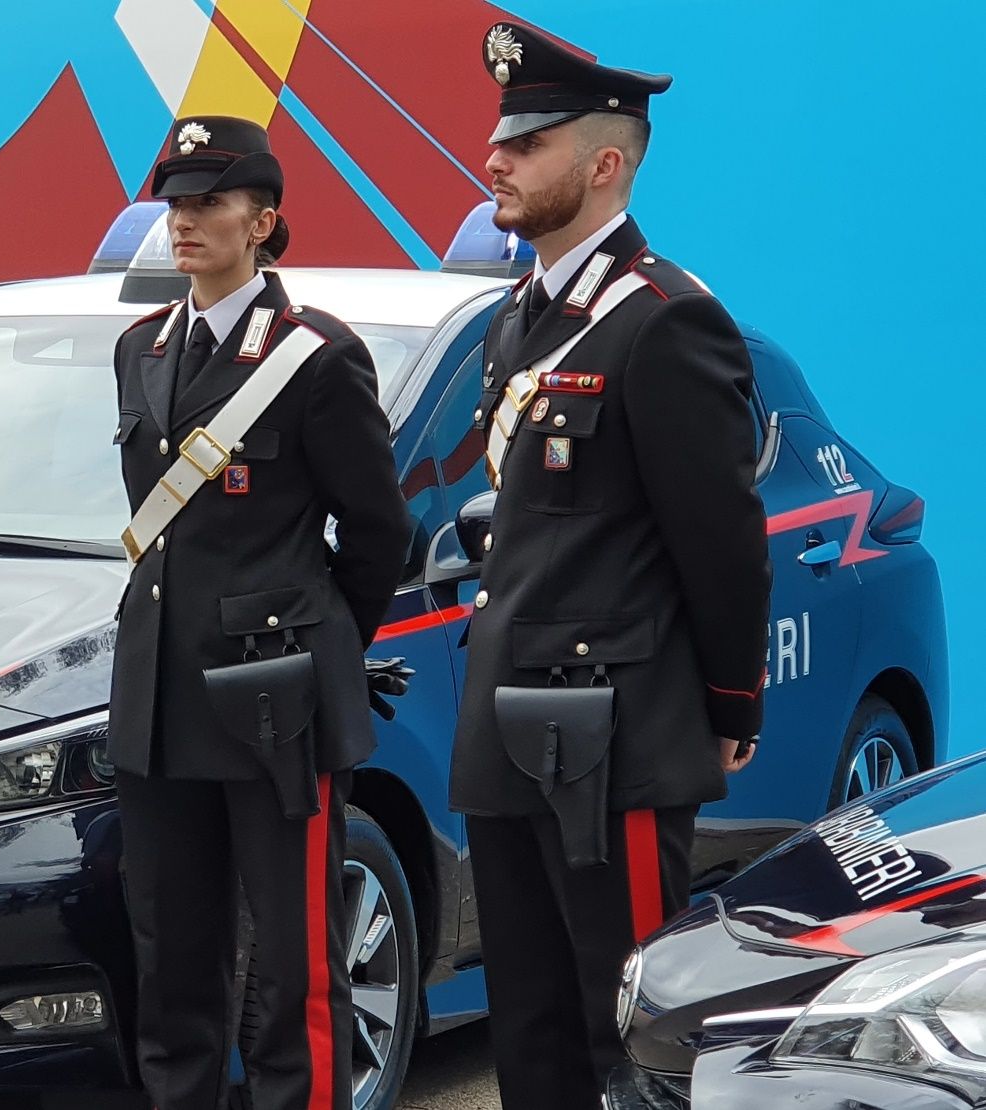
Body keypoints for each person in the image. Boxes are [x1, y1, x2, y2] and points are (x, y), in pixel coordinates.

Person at [451, 21, 771, 1109]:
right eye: (499, 138)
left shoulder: (667, 323)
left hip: (612, 741)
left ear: (604, 164)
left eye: (527, 142)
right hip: (506, 729)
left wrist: (728, 701)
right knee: (529, 1036)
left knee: (626, 1032)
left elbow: (721, 542)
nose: (495, 157)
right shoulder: (518, 323)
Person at [108, 115, 410, 1110]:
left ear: (265, 219)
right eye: (177, 202)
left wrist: (324, 652)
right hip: (160, 702)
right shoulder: (140, 348)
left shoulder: (315, 358)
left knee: (295, 972)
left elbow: (379, 534)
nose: (186, 220)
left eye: (210, 202)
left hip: (276, 705)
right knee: (173, 966)